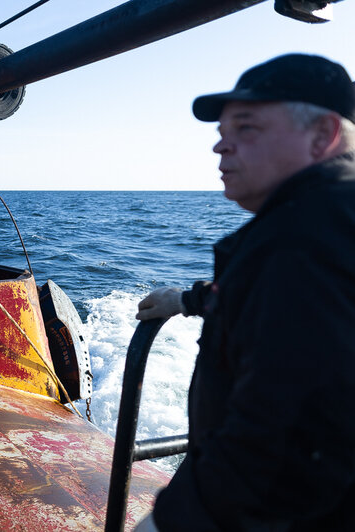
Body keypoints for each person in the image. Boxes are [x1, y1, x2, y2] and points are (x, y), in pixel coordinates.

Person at [134, 54, 355, 531]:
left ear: (323, 136)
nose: (219, 146)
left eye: (246, 128)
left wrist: (170, 524)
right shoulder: (327, 224)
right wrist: (188, 300)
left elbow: (288, 446)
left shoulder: (304, 243)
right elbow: (279, 311)